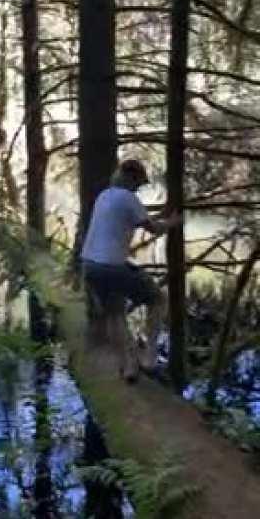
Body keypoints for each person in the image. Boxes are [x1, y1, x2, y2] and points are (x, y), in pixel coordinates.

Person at [81, 158, 179, 381]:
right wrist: (173, 222)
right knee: (157, 299)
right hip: (112, 266)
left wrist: (160, 217)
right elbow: (153, 228)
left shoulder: (104, 196)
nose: (139, 189)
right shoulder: (128, 198)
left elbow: (130, 220)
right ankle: (149, 357)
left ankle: (128, 367)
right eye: (138, 184)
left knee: (114, 315)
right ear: (130, 178)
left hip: (90, 265)